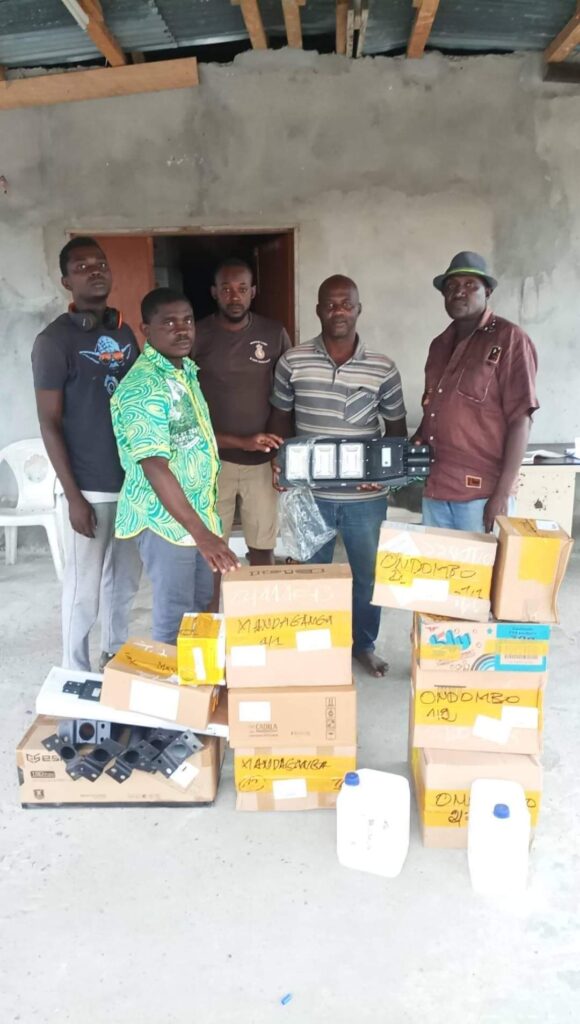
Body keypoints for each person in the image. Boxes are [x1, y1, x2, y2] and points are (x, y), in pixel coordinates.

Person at [269, 275, 407, 678]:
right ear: (318, 310)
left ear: (359, 309)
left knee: (367, 577)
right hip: (311, 495)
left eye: (346, 304)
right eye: (330, 305)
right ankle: (316, 648)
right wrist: (280, 460)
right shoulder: (293, 361)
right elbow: (280, 419)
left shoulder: (383, 367)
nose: (339, 312)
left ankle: (363, 645)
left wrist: (385, 477)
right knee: (312, 577)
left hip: (365, 499)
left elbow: (396, 432)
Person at [31, 236, 142, 672]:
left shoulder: (124, 332)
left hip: (132, 483)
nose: (95, 271)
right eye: (81, 267)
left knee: (125, 582)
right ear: (66, 281)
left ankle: (114, 654)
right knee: (84, 588)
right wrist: (73, 496)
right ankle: (75, 672)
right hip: (89, 487)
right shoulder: (53, 341)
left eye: (100, 264)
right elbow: (49, 422)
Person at [110, 288, 239, 645]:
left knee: (203, 607)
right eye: (169, 323)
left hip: (198, 515)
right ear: (146, 330)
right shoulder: (143, 386)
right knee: (176, 619)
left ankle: (198, 677)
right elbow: (154, 465)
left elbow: (194, 437)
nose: (182, 330)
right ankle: (173, 681)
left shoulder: (183, 372)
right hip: (166, 523)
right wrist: (202, 535)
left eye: (187, 320)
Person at [416, 252, 539, 533]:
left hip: (482, 497)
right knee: (439, 563)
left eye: (470, 284)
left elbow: (521, 419)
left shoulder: (510, 338)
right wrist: (419, 437)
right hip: (436, 490)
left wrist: (501, 494)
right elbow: (434, 409)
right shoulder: (438, 346)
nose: (459, 291)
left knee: (486, 564)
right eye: (451, 286)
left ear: (488, 291)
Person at [194, 258, 291, 566]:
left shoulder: (273, 333)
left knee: (263, 549)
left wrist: (280, 452)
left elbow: (287, 395)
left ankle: (259, 601)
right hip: (212, 461)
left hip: (262, 462)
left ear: (253, 292)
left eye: (242, 288)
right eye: (226, 289)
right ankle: (214, 600)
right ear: (214, 292)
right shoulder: (197, 334)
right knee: (213, 552)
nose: (234, 296)